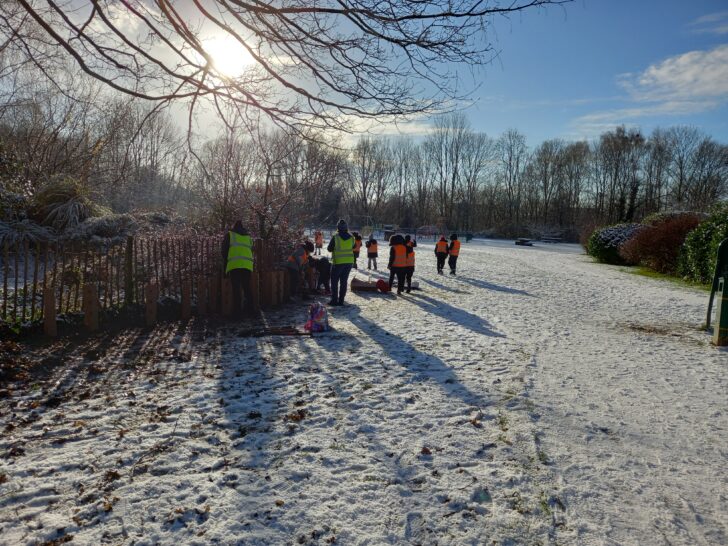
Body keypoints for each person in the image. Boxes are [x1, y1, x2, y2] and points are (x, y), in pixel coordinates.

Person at [221, 220, 254, 318]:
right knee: (247, 288)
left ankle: (237, 313)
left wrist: (225, 266)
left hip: (235, 265)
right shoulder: (248, 237)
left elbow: (224, 251)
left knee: (236, 289)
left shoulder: (230, 235)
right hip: (247, 265)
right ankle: (250, 310)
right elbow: (250, 250)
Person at [327, 219, 355, 306]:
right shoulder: (351, 237)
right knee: (344, 281)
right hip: (349, 262)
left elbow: (329, 249)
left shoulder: (335, 237)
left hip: (338, 262)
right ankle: (341, 301)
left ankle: (334, 300)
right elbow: (353, 246)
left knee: (334, 281)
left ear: (338, 228)